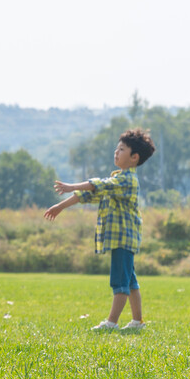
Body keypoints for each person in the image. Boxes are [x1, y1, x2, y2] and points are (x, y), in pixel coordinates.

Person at [44, 128, 156, 331]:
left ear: (134, 157)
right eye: (117, 148)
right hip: (124, 239)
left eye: (121, 149)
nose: (116, 151)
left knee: (120, 282)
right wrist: (60, 206)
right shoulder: (117, 179)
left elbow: (98, 185)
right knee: (130, 281)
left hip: (123, 239)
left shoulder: (126, 180)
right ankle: (137, 322)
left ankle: (111, 323)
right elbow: (88, 195)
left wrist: (70, 186)